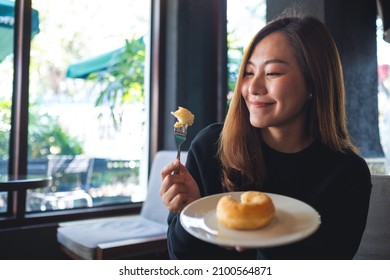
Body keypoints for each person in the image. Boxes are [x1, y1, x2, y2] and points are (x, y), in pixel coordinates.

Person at [160, 14, 372, 260]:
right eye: (248, 73)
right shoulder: (210, 147)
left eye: (272, 73)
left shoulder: (346, 174)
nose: (253, 88)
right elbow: (181, 260)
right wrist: (190, 211)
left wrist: (263, 237)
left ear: (313, 83)